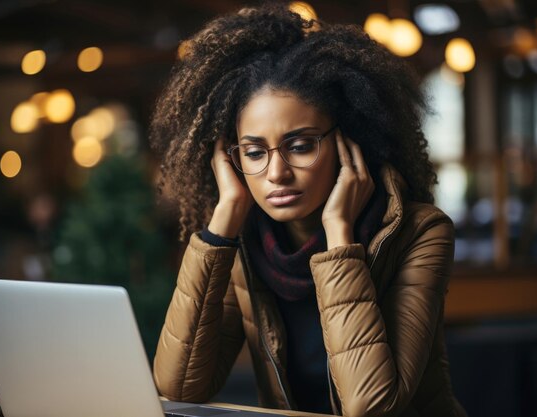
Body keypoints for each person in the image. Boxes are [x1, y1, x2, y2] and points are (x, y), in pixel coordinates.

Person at [149, 3, 467, 416]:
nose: (276, 172)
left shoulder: (420, 231)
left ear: (348, 142)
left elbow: (371, 406)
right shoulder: (243, 242)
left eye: (300, 146)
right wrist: (221, 224)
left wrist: (339, 237)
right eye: (254, 152)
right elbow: (179, 387)